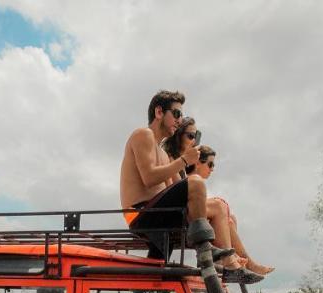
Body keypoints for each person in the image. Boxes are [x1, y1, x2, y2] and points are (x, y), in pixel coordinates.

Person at [118, 90, 217, 258]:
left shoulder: (163, 154)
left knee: (217, 208)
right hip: (141, 214)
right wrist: (184, 161)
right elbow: (149, 178)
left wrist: (190, 167)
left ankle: (230, 263)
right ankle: (206, 253)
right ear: (159, 112)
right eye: (177, 113)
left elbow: (174, 188)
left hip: (156, 212)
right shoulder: (143, 134)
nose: (179, 120)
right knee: (197, 183)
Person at [190, 145, 275, 278]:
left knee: (231, 219)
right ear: (197, 163)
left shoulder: (195, 182)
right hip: (188, 217)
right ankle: (233, 260)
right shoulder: (192, 181)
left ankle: (236, 258)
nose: (212, 169)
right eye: (210, 164)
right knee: (220, 206)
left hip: (196, 218)